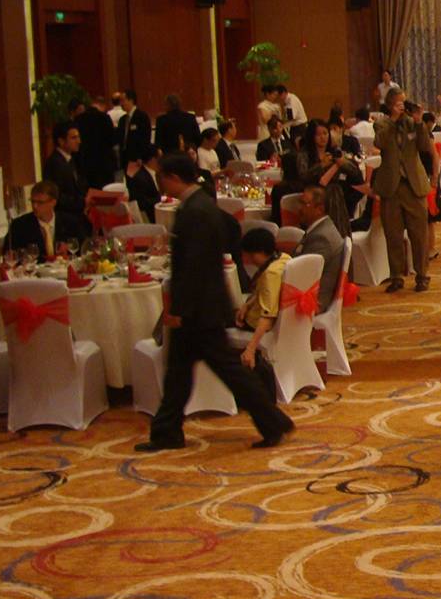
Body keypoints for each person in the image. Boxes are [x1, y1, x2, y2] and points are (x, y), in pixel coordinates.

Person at [136, 155, 294, 453]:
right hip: (204, 305)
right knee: (180, 373)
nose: (160, 183)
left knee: (225, 371)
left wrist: (181, 308)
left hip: (201, 308)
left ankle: (272, 421)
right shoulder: (202, 206)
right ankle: (167, 431)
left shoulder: (195, 211)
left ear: (173, 177)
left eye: (162, 177)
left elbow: (194, 266)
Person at [372, 88, 433, 293]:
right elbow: (380, 143)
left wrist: (418, 121)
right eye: (399, 103)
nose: (403, 106)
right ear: (390, 105)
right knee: (393, 234)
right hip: (391, 186)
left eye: (404, 103)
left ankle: (422, 275)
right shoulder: (382, 124)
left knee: (419, 234)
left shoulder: (412, 123)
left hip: (413, 185)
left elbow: (424, 146)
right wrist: (393, 119)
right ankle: (396, 275)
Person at [235, 226, 291, 375]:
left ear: (257, 253)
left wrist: (250, 348)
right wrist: (247, 304)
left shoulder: (270, 274)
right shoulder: (284, 258)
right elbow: (264, 292)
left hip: (258, 323)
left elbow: (268, 315)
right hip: (285, 320)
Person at [288, 186, 343, 314]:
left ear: (319, 209)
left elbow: (304, 275)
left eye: (303, 204)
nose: (299, 208)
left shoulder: (321, 238)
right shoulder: (320, 229)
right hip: (306, 292)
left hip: (311, 300)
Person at [4, 180, 90, 258]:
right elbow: (9, 254)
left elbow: (85, 250)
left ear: (53, 202)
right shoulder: (19, 225)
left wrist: (68, 251)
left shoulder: (70, 222)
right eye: (33, 201)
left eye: (40, 202)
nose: (35, 206)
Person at [76, 97, 117, 190]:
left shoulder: (79, 119)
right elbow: (113, 140)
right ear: (102, 105)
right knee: (106, 193)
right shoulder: (105, 117)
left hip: (87, 163)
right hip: (104, 163)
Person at [126, 147, 164, 223]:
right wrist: (162, 198)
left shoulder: (156, 173)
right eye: (161, 158)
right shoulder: (140, 178)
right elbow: (141, 203)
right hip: (148, 218)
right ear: (153, 160)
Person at [115, 90, 151, 166]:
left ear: (131, 100)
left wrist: (141, 156)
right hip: (125, 158)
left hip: (137, 158)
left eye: (123, 101)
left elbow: (145, 138)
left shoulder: (141, 117)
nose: (121, 104)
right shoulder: (122, 120)